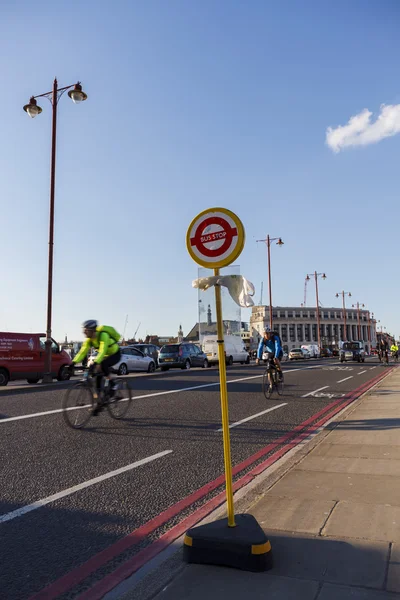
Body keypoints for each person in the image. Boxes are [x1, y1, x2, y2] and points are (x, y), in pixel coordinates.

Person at [71, 320, 121, 414]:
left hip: (115, 354)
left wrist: (96, 362)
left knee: (102, 365)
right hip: (106, 355)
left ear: (92, 330)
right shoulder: (89, 340)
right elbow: (82, 351)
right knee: (96, 375)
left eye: (86, 330)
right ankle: (99, 403)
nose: (84, 332)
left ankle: (114, 385)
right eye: (84, 330)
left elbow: (102, 350)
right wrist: (73, 363)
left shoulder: (103, 336)